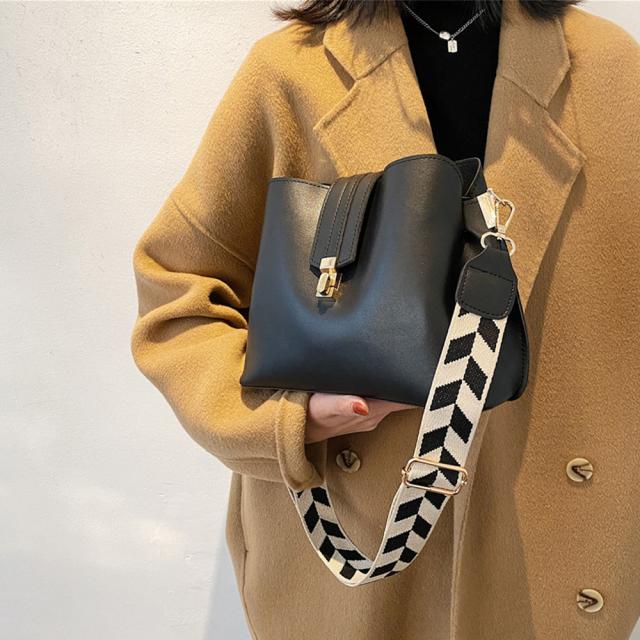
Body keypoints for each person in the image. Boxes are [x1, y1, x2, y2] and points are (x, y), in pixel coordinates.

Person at [130, 0, 640, 638]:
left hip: (551, 538)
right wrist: (292, 419)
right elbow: (177, 290)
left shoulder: (612, 72)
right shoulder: (290, 72)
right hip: (350, 542)